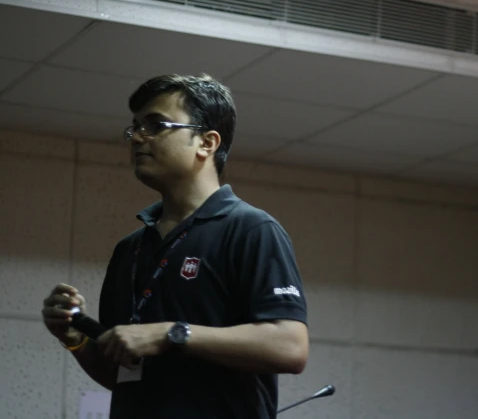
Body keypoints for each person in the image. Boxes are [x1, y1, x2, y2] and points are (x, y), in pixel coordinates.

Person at [41, 74, 309, 419]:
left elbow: (290, 347)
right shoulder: (131, 249)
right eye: (135, 127)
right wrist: (74, 337)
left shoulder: (250, 229)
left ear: (207, 143)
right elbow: (121, 374)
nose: (137, 137)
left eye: (156, 125)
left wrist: (173, 334)